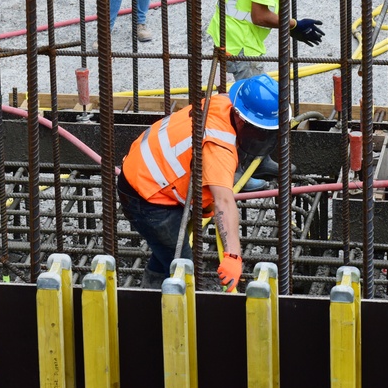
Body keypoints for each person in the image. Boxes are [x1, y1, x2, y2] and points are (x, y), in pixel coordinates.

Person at [118, 74, 282, 290]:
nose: (263, 138)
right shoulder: (218, 146)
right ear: (242, 119)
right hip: (147, 195)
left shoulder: (225, 102)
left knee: (167, 251)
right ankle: (160, 309)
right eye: (260, 132)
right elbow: (224, 202)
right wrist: (233, 255)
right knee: (182, 265)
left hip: (149, 171)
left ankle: (152, 288)